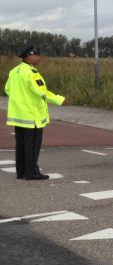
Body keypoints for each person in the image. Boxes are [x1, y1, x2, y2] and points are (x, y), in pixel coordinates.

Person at [4, 45, 66, 180]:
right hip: (31, 116)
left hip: (18, 115)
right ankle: (31, 172)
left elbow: (7, 89)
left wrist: (20, 99)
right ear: (29, 56)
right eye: (37, 55)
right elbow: (41, 92)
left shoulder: (14, 71)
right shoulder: (31, 73)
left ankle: (21, 172)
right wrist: (60, 100)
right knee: (32, 145)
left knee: (21, 144)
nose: (39, 57)